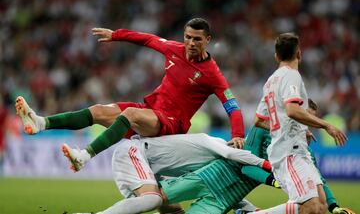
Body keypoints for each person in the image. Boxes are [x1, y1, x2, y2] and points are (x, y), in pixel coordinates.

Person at [15, 18, 245, 171]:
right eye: (187, 37)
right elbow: (147, 39)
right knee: (98, 111)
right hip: (151, 110)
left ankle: (84, 156)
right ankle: (41, 122)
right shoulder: (174, 49)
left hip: (171, 122)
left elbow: (232, 106)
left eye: (197, 39)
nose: (190, 43)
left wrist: (238, 134)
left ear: (208, 40)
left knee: (131, 114)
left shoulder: (212, 73)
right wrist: (117, 35)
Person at [250, 33, 347, 214]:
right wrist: (326, 125)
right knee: (310, 206)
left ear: (276, 56)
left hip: (295, 150)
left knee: (321, 207)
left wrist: (299, 128)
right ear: (299, 54)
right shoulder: (291, 75)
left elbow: (258, 120)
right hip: (289, 152)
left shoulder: (271, 81)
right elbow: (292, 110)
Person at [72, 133, 271, 214]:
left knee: (174, 211)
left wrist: (252, 210)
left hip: (150, 169)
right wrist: (267, 165)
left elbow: (228, 194)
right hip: (136, 151)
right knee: (152, 200)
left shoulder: (217, 168)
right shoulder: (215, 143)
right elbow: (230, 152)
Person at [235, 99, 355, 214]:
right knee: (310, 207)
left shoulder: (303, 149)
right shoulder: (262, 128)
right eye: (305, 117)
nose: (307, 123)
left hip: (250, 187)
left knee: (317, 208)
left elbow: (319, 180)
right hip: (230, 181)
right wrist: (274, 181)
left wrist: (334, 207)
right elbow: (247, 167)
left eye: (310, 120)